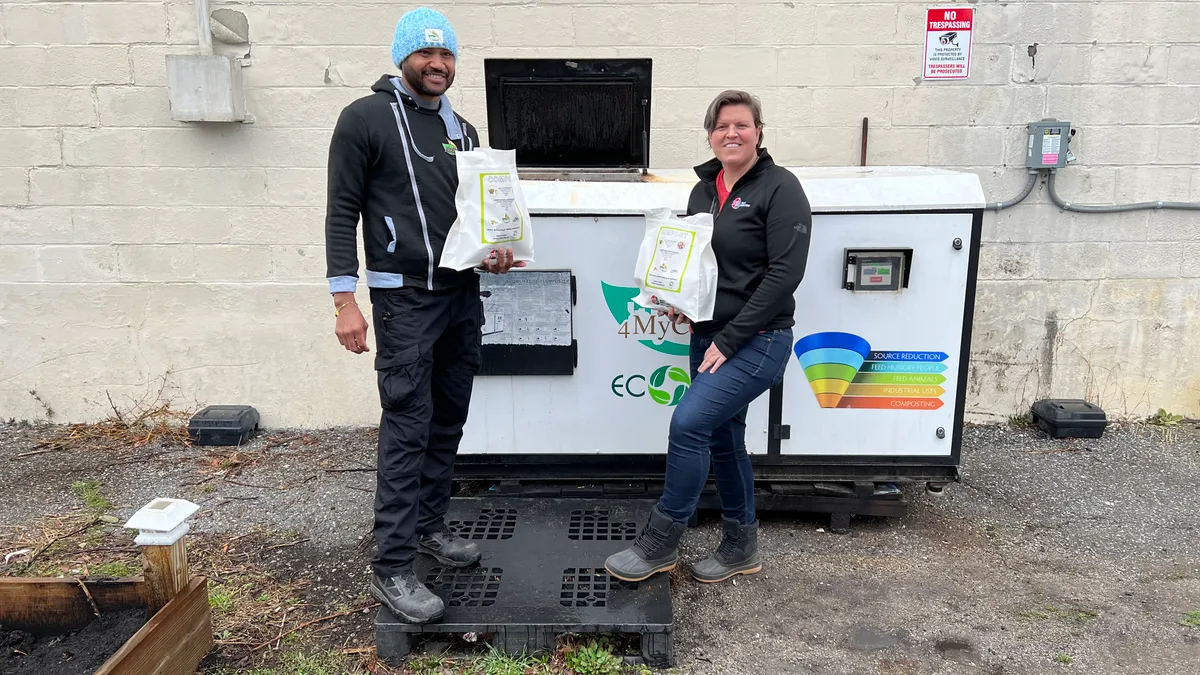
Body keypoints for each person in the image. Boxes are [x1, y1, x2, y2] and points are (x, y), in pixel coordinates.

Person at [324, 7, 523, 624]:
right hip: (403, 297)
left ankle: (430, 530)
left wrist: (492, 250)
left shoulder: (462, 129)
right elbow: (341, 211)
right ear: (402, 57)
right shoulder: (364, 119)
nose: (438, 65)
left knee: (448, 418)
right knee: (408, 423)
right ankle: (391, 565)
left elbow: (472, 213)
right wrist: (344, 301)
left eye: (447, 56)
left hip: (461, 294)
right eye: (426, 55)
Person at [605, 90, 812, 584]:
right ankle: (741, 546)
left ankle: (660, 542)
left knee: (690, 424)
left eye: (742, 125)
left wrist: (731, 337)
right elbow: (697, 267)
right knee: (724, 439)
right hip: (708, 336)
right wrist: (673, 300)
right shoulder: (704, 191)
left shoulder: (781, 188)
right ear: (710, 135)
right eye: (722, 127)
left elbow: (785, 274)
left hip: (758, 339)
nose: (731, 133)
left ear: (759, 132)